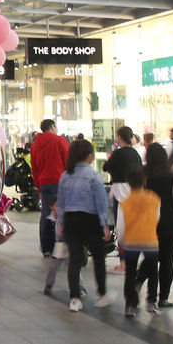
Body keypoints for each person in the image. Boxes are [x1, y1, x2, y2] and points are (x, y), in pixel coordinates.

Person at [56, 138, 116, 312]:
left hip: (71, 220)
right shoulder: (93, 176)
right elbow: (101, 203)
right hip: (90, 220)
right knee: (98, 257)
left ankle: (74, 299)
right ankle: (102, 294)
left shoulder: (65, 175)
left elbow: (61, 202)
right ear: (90, 156)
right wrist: (105, 224)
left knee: (74, 260)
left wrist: (61, 222)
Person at [141, 143, 173, 310]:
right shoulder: (171, 177)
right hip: (169, 222)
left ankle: (142, 285)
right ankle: (163, 298)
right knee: (167, 260)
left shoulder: (145, 177)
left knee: (151, 258)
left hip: (149, 223)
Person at [119, 168, 160, 318]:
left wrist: (123, 242)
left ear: (129, 184)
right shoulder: (155, 199)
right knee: (153, 272)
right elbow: (157, 218)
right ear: (145, 182)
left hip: (131, 241)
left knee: (130, 273)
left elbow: (121, 226)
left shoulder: (124, 203)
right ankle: (151, 302)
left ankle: (130, 305)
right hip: (150, 240)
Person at [104, 126, 143, 274]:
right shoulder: (135, 154)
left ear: (120, 137)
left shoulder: (118, 153)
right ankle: (132, 261)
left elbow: (106, 167)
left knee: (121, 228)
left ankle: (123, 264)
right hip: (133, 192)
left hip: (119, 192)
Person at [31, 119, 69, 258]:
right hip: (60, 182)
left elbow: (34, 169)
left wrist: (39, 188)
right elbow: (68, 161)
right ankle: (60, 246)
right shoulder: (60, 140)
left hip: (44, 184)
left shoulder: (35, 145)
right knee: (60, 214)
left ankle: (46, 247)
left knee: (46, 214)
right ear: (52, 127)